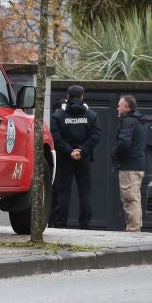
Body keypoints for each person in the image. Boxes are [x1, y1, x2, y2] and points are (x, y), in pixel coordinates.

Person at [49, 85, 102, 229]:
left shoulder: (58, 116)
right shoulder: (92, 115)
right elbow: (96, 135)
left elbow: (55, 136)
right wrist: (82, 151)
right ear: (82, 96)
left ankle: (60, 224)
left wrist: (69, 151)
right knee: (85, 191)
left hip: (64, 158)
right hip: (83, 159)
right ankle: (85, 224)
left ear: (68, 97)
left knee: (63, 191)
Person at [114, 94, 148, 232]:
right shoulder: (139, 122)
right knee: (135, 197)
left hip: (129, 166)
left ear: (126, 107)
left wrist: (115, 155)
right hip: (138, 165)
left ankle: (133, 229)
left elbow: (124, 143)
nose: (117, 108)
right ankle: (136, 227)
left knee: (129, 198)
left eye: (119, 105)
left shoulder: (128, 122)